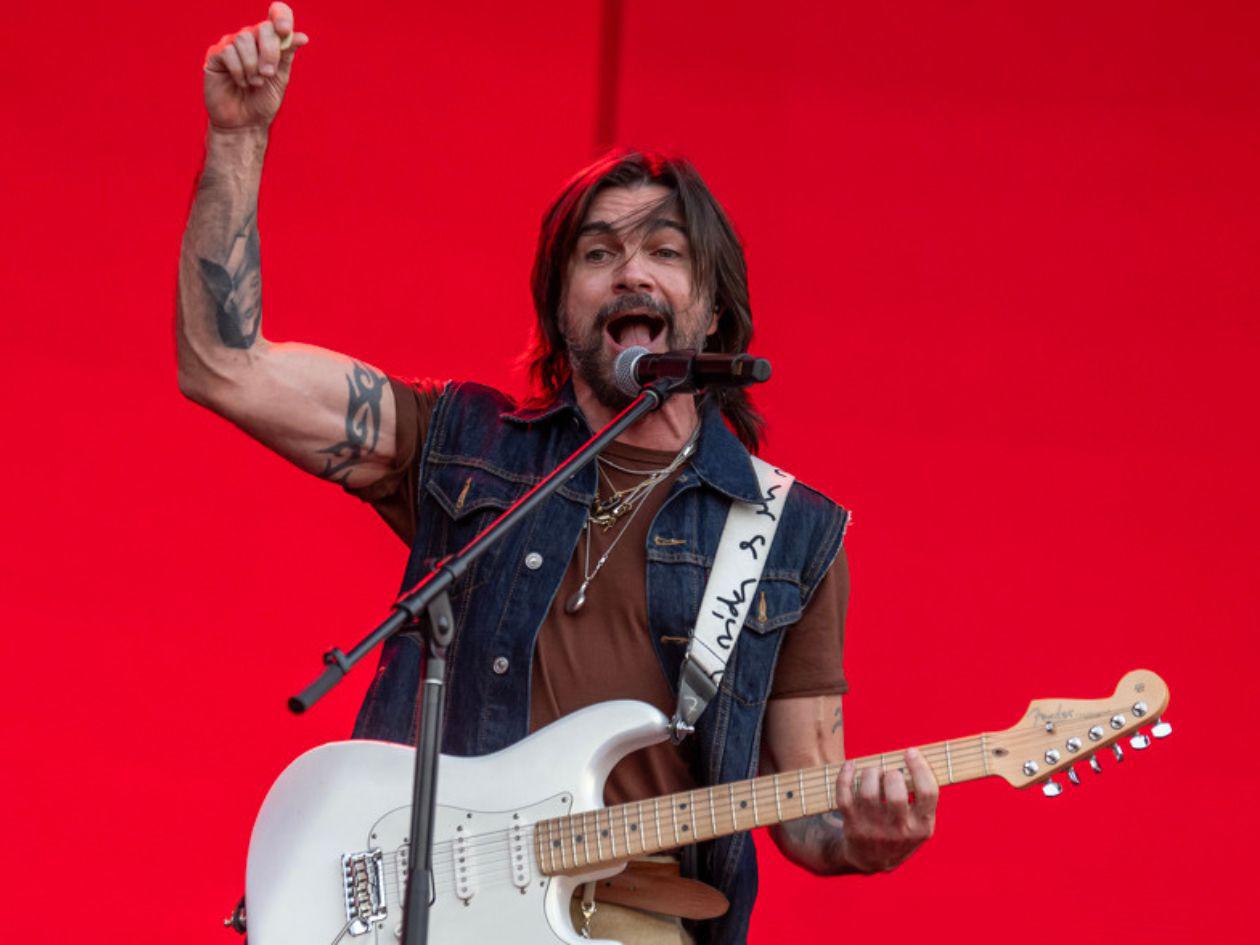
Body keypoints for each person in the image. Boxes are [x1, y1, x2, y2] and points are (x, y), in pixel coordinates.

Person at [179, 6, 938, 944]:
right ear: (560, 304)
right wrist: (239, 136)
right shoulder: (463, 443)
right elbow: (226, 364)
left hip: (626, 919)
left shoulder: (786, 532)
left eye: (665, 252)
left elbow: (809, 809)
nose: (632, 273)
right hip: (424, 910)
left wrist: (868, 830)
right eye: (598, 252)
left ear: (710, 310)